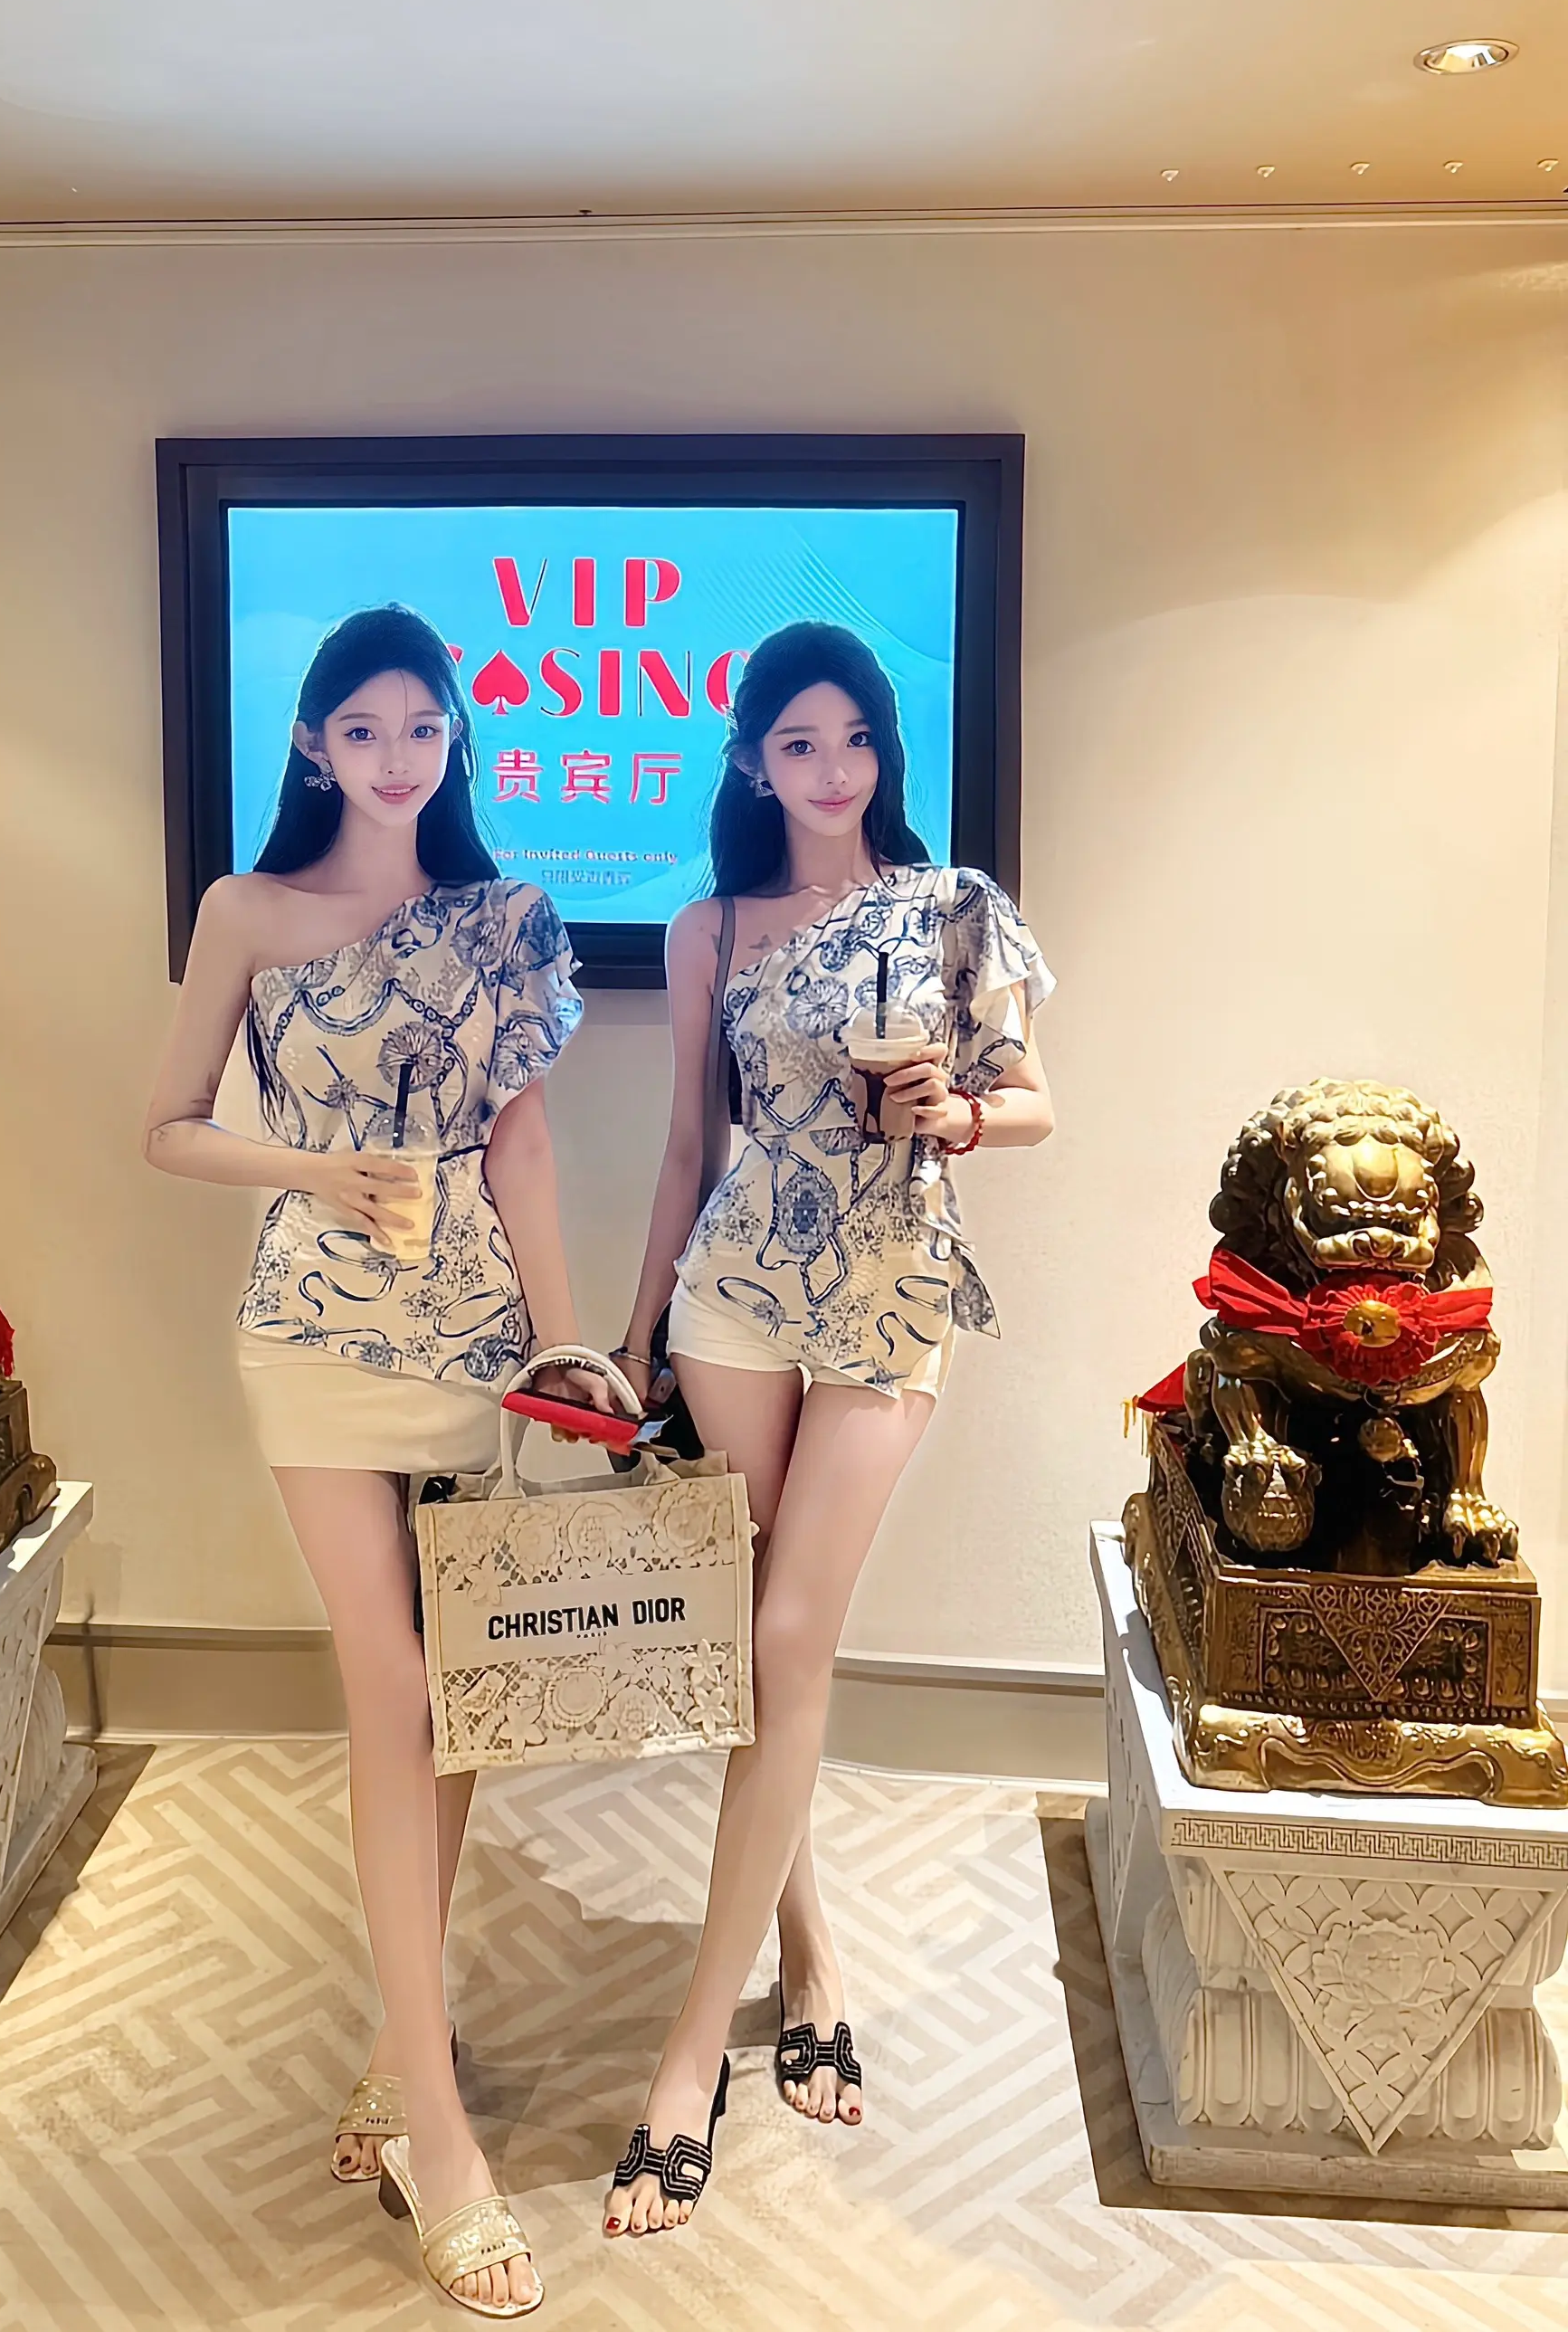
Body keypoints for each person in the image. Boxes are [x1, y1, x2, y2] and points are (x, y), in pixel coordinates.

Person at [145, 604, 611, 2318]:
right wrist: (313, 1170)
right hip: (310, 1336)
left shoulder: (504, 916)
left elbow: (524, 1147)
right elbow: (168, 1124)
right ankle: (439, 2128)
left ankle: (402, 2037)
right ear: (312, 743)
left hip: (474, 1338)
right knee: (390, 1682)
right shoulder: (248, 910)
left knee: (455, 1694)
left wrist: (565, 1342)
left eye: (425, 726)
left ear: (454, 739)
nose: (399, 755)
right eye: (365, 727)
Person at [602, 621, 1055, 2235]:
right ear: (751, 761)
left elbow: (1036, 1096)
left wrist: (965, 1112)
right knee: (761, 1643)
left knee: (792, 1631)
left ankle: (685, 2059)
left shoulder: (951, 908)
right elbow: (687, 1148)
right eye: (798, 742)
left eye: (854, 735)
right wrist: (636, 1334)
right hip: (735, 1292)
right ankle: (806, 1950)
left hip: (891, 1288)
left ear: (883, 747)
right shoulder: (710, 925)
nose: (832, 766)